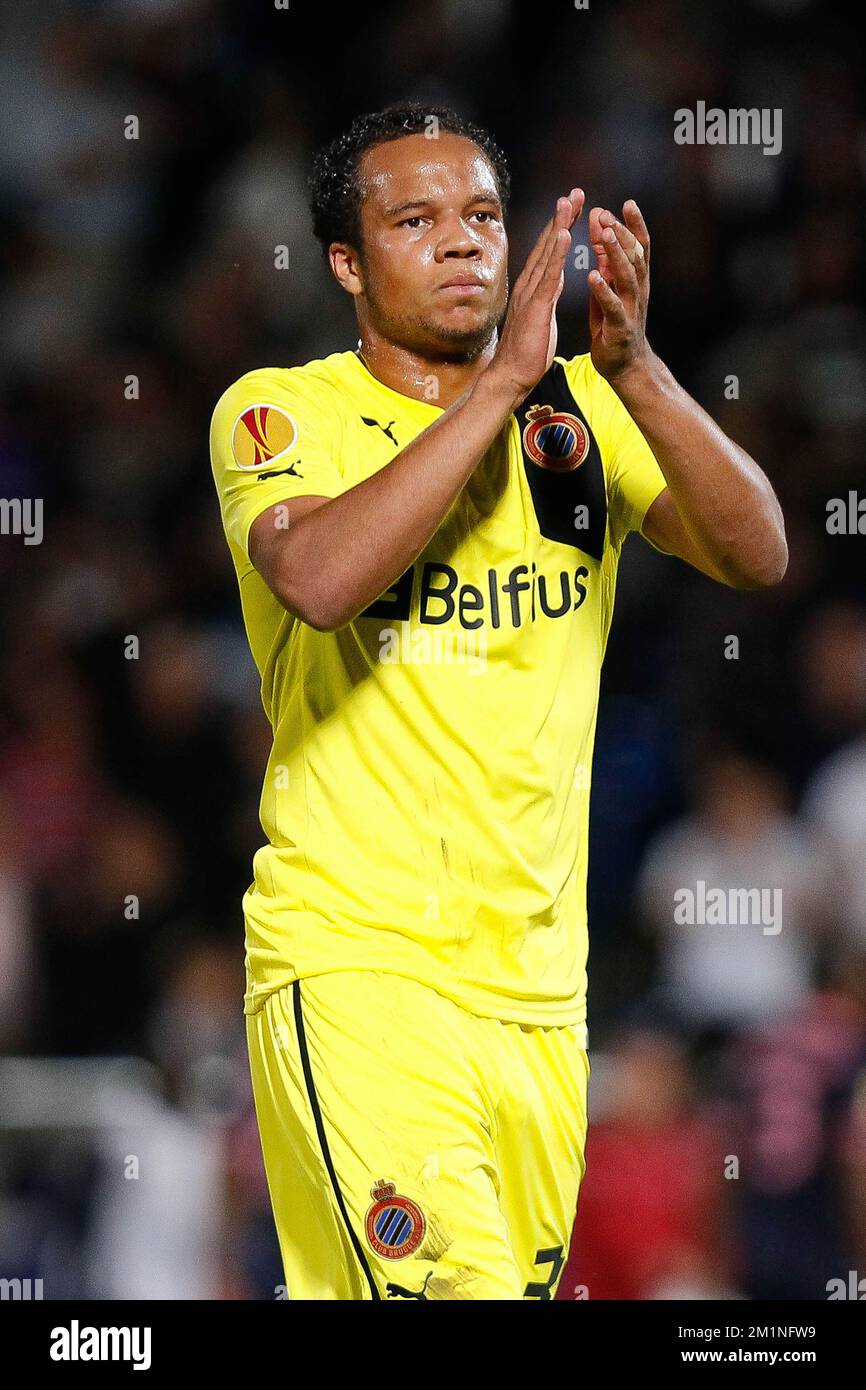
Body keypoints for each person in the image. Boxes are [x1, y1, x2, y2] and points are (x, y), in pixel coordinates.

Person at [209, 101, 787, 1300]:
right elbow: (317, 580)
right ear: (346, 265)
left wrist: (636, 370)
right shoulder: (282, 413)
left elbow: (757, 551)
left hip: (534, 995)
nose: (463, 241)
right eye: (414, 220)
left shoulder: (578, 411)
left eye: (480, 215)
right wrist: (499, 388)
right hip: (358, 963)